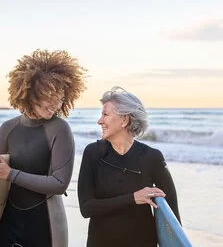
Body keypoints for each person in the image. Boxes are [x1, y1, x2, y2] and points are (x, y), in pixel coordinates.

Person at [0, 49, 86, 247]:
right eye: (50, 96)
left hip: (45, 224)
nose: (56, 104)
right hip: (8, 221)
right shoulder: (8, 128)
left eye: (60, 97)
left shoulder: (59, 129)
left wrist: (10, 174)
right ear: (31, 94)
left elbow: (59, 183)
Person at [77, 86, 181, 247]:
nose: (100, 121)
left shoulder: (152, 157)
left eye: (105, 114)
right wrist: (133, 198)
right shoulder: (93, 153)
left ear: (124, 120)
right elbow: (86, 208)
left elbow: (172, 216)